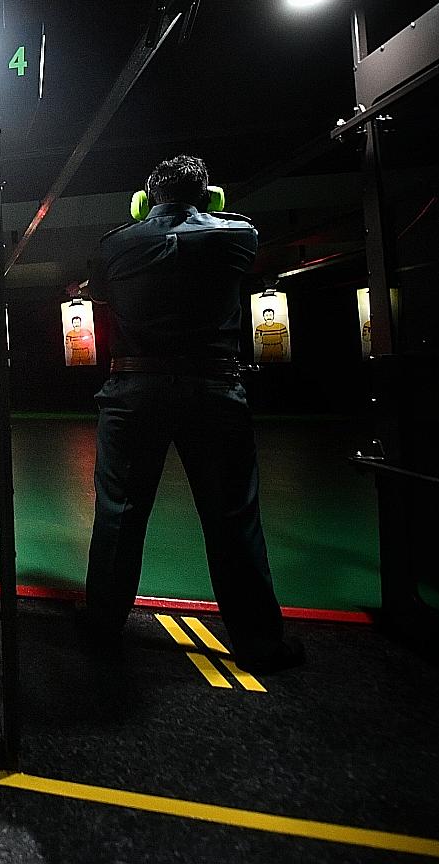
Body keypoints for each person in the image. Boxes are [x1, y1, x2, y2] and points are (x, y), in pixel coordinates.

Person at [80, 154, 302, 672]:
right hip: (213, 390)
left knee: (119, 514)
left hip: (134, 391)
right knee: (233, 519)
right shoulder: (236, 235)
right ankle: (260, 644)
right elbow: (245, 247)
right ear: (211, 197)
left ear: (144, 200)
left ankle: (102, 624)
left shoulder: (116, 244)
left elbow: (101, 292)